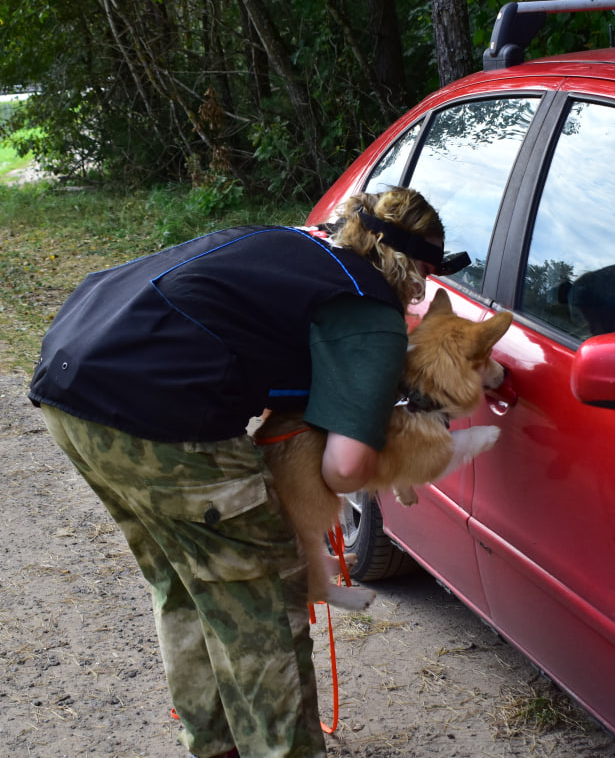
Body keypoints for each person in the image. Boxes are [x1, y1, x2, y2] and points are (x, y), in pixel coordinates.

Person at [27, 187, 452, 758]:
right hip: (160, 414)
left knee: (186, 583)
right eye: (425, 277)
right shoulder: (369, 307)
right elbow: (348, 467)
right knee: (264, 605)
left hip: (70, 380)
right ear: (412, 266)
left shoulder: (291, 246)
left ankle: (216, 746)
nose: (420, 293)